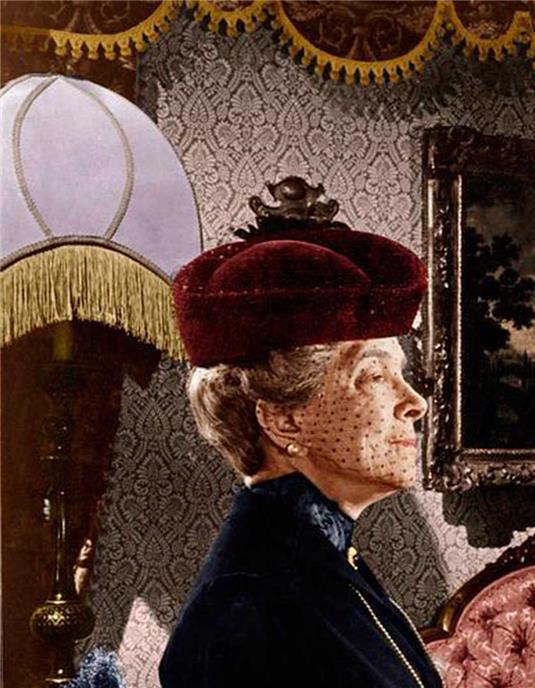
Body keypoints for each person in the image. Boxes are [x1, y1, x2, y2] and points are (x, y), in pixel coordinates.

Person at [159, 196, 443, 688]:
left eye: (401, 375)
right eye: (374, 376)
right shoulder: (244, 606)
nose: (414, 402)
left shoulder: (323, 556)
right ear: (284, 420)